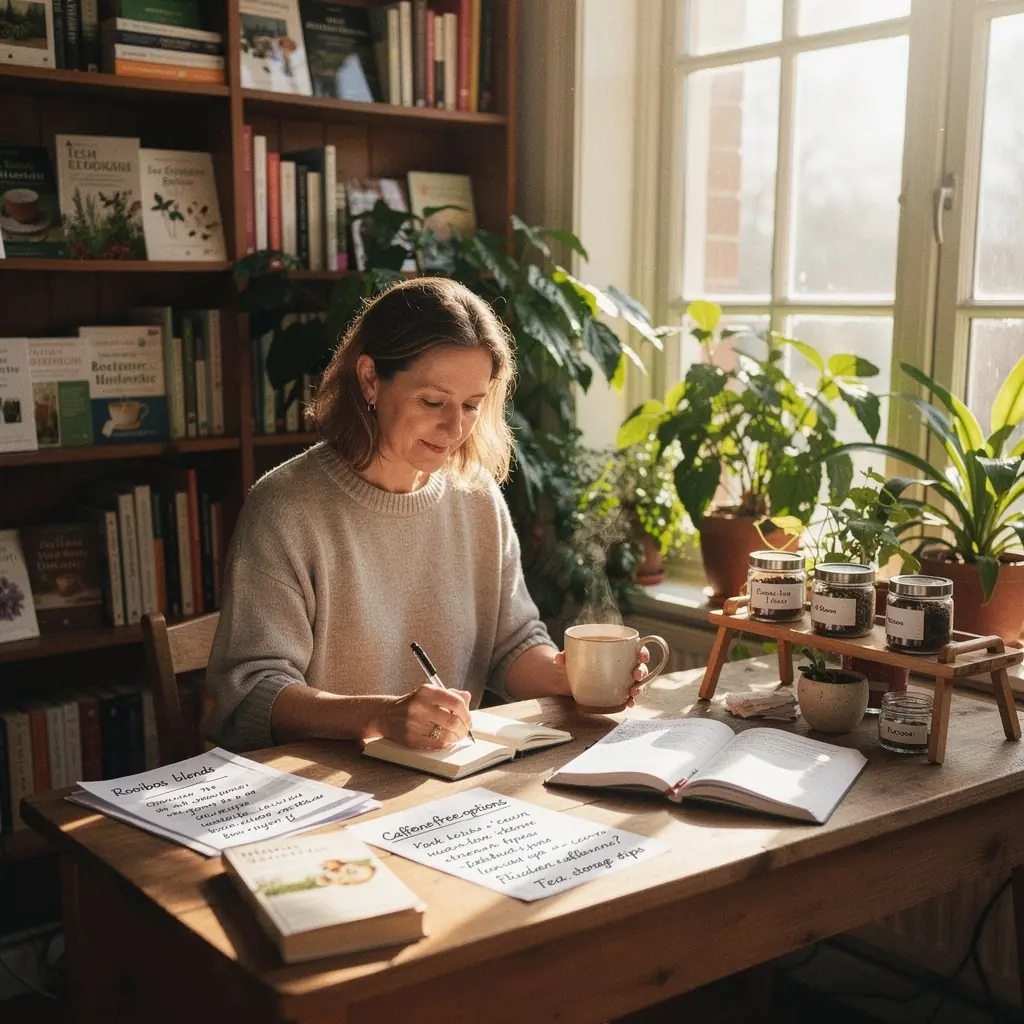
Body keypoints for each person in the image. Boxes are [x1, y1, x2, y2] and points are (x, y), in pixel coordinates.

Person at [203, 278, 649, 752]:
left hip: (439, 784)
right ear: (371, 379)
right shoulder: (287, 508)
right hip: (313, 791)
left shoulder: (476, 497)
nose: (455, 428)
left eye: (472, 406)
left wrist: (569, 677)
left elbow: (512, 645)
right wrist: (381, 716)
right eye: (433, 402)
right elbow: (250, 694)